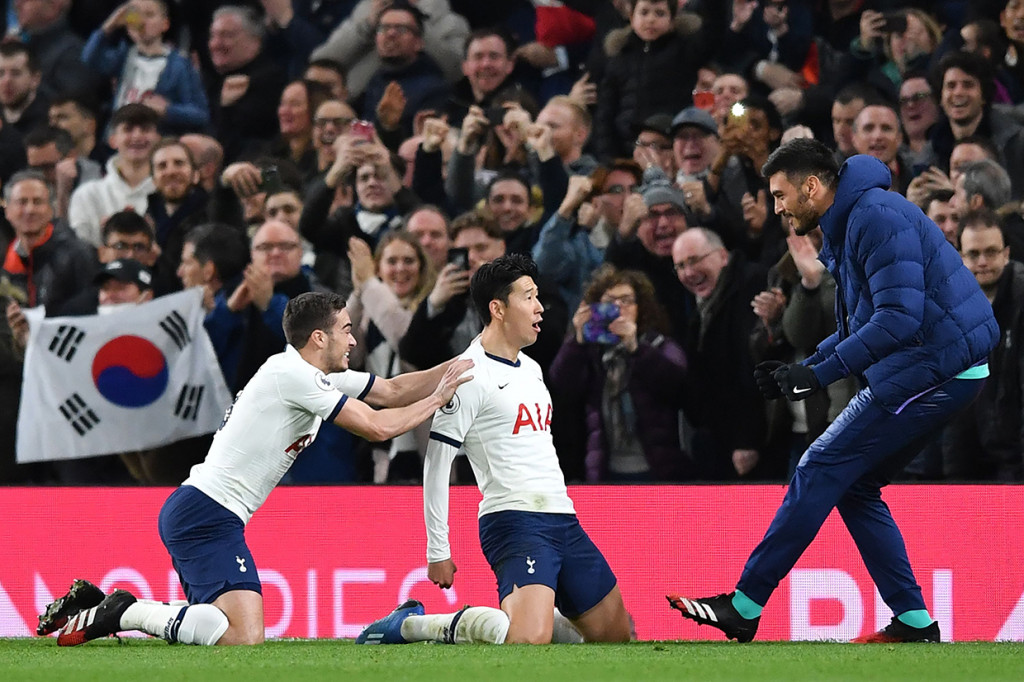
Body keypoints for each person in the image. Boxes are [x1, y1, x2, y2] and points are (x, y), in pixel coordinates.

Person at [667, 139, 999, 643]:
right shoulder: (855, 219)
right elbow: (867, 319)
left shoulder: (874, 218)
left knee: (820, 464)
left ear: (813, 186)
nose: (777, 208)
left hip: (938, 367)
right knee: (854, 484)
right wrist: (805, 366)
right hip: (939, 365)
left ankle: (745, 604)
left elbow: (899, 318)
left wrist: (820, 376)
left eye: (780, 195)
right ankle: (912, 622)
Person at [40, 291, 474, 646]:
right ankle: (121, 610)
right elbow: (378, 427)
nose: (353, 340)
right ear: (319, 338)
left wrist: (465, 365)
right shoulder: (294, 376)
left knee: (213, 629)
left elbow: (391, 390)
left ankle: (104, 606)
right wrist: (438, 400)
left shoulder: (310, 374)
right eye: (346, 330)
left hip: (204, 512)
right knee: (243, 636)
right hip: (205, 515)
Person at [356, 254, 632, 646]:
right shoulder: (469, 374)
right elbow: (436, 462)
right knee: (526, 642)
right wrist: (439, 547)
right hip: (514, 521)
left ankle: (537, 607)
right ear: (498, 308)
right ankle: (410, 625)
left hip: (562, 518)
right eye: (529, 297)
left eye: (538, 296)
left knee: (617, 637)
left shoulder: (532, 369)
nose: (539, 307)